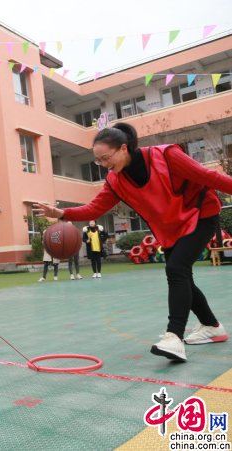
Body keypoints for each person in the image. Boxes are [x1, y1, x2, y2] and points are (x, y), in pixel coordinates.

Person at [34, 122, 232, 363]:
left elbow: (208, 177)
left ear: (123, 148)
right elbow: (95, 207)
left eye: (106, 158)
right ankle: (212, 326)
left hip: (200, 214)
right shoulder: (115, 181)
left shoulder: (166, 156)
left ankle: (174, 337)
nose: (104, 165)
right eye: (99, 161)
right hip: (171, 227)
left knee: (176, 269)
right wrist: (61, 213)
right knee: (183, 276)